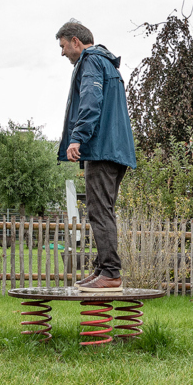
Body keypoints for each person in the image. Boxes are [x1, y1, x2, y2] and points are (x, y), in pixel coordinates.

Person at [55, 20, 137, 292]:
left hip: (102, 149)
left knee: (98, 211)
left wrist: (78, 136)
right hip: (117, 149)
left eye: (64, 46)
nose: (63, 53)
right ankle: (102, 268)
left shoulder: (90, 62)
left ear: (75, 41)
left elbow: (91, 101)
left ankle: (111, 272)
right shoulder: (107, 63)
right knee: (104, 210)